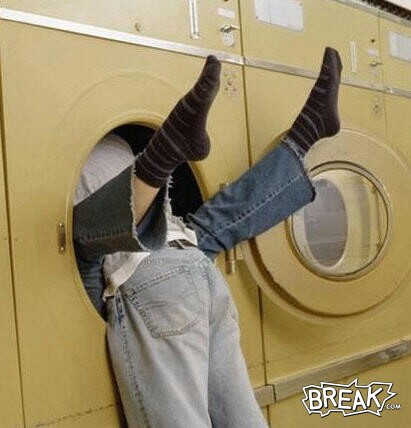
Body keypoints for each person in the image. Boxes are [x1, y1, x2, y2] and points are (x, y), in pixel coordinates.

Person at [74, 48, 342, 427]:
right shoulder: (118, 144)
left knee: (82, 238)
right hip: (195, 265)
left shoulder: (50, 160)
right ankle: (303, 135)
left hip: (148, 281)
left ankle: (162, 157)